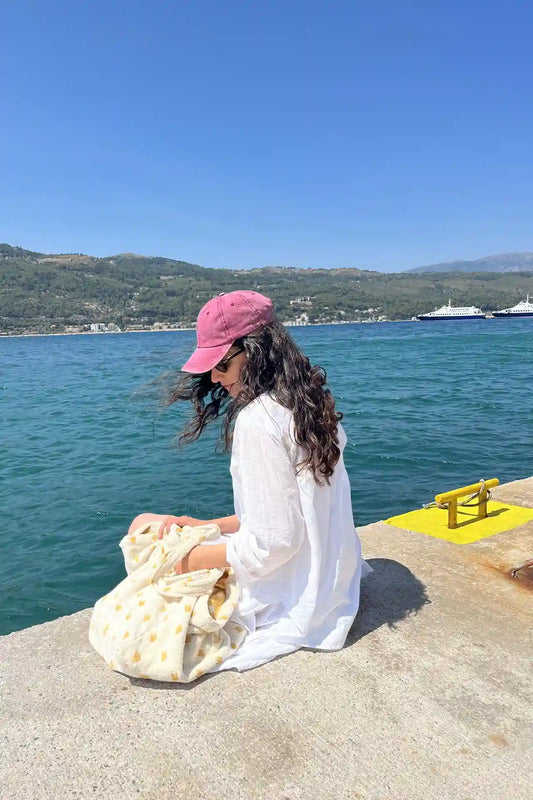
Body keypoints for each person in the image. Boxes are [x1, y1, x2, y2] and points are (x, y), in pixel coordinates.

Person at [129, 290, 371, 673]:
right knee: (154, 525)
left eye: (221, 364)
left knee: (142, 531)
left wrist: (187, 560)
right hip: (332, 577)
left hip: (292, 594)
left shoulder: (258, 420)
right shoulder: (310, 402)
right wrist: (206, 525)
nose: (214, 377)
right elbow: (290, 512)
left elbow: (274, 543)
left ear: (256, 352)